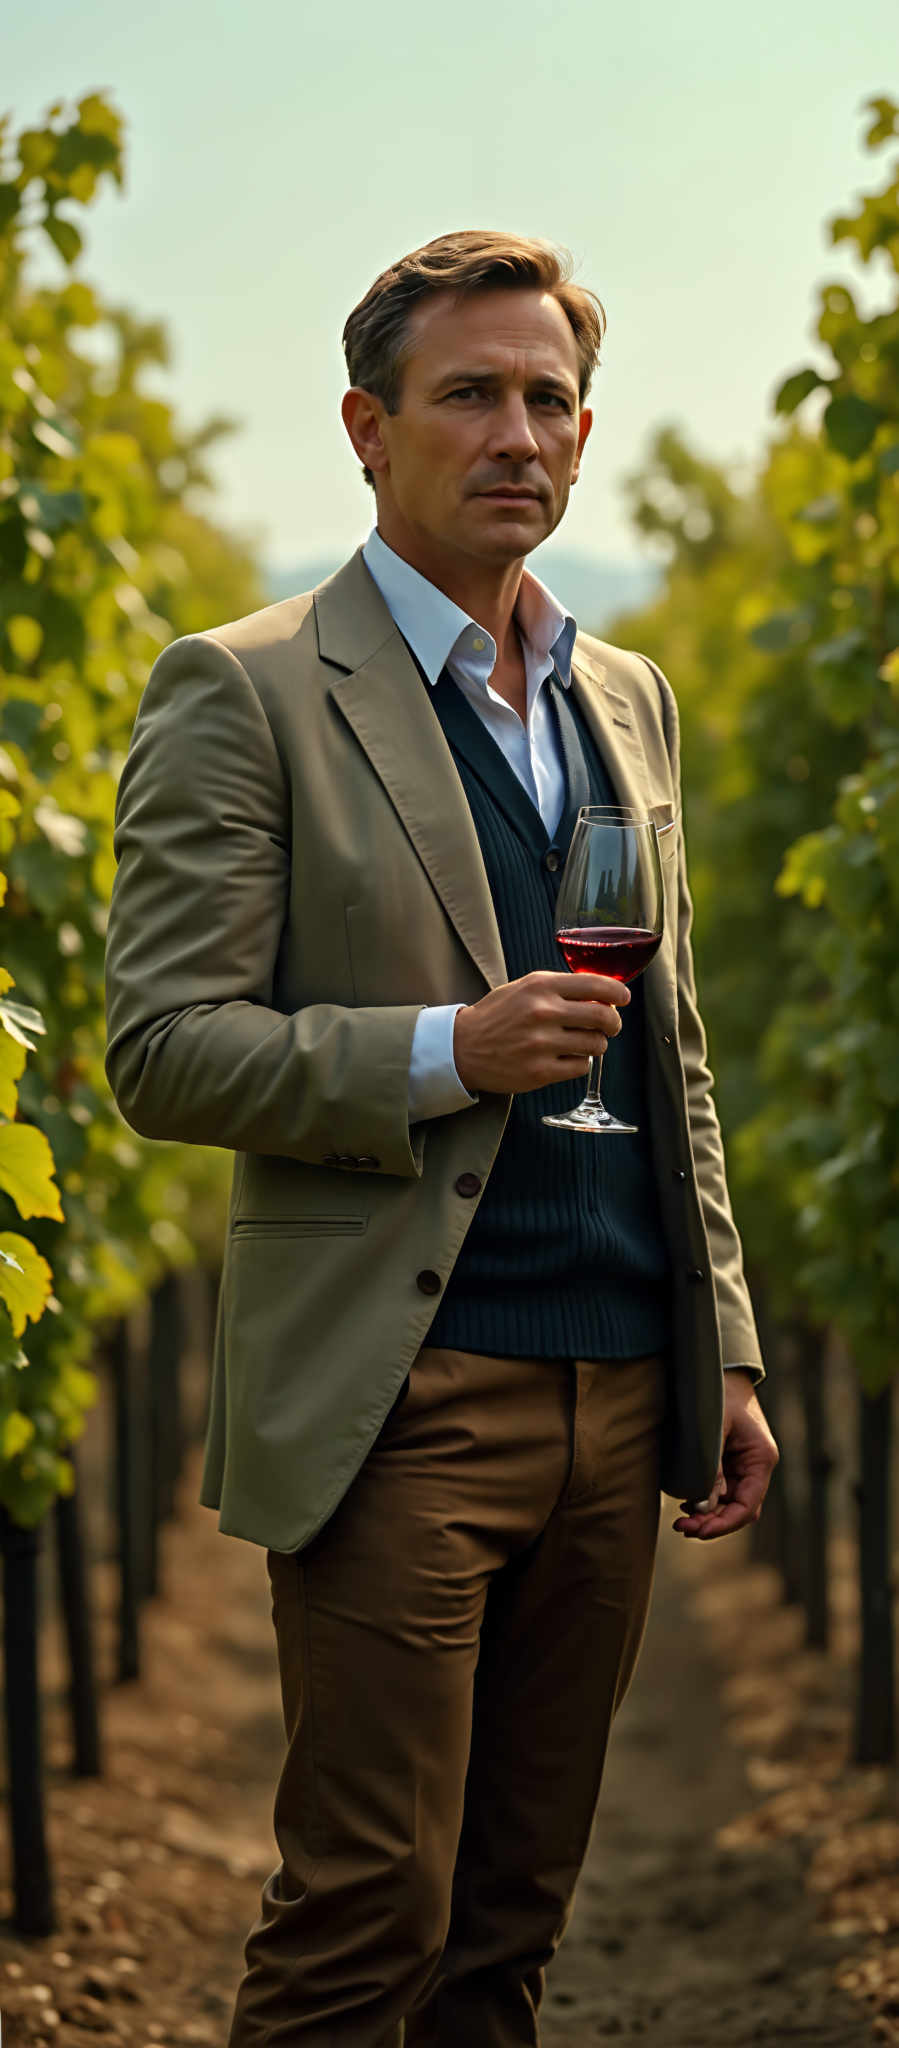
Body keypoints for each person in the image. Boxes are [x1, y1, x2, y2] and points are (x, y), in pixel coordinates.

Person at [104, 229, 779, 2047]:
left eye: (550, 399)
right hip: (404, 1394)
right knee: (362, 1923)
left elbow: (679, 1059)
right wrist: (447, 1049)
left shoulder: (620, 698)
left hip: (622, 1386)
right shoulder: (240, 690)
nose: (520, 434)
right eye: (470, 394)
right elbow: (163, 1049)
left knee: (509, 1933)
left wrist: (721, 1343)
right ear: (365, 425)